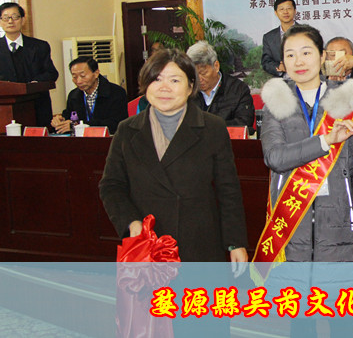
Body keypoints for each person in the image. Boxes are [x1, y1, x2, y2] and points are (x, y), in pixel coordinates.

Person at [256, 25, 353, 337]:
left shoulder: (347, 101)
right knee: (301, 321)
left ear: (321, 57)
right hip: (293, 224)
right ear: (283, 62)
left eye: (306, 52)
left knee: (341, 317)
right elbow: (275, 157)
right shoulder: (276, 103)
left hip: (338, 222)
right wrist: (324, 141)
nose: (299, 61)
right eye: (290, 55)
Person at [99, 49, 249, 265]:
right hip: (147, 245)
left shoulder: (212, 128)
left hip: (198, 244)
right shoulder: (127, 130)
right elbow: (111, 185)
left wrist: (235, 242)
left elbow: (228, 190)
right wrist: (131, 222)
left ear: (190, 86)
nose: (164, 87)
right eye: (157, 79)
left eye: (175, 80)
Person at [0, 2, 59, 127]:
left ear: (22, 20)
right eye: (5, 18)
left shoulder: (39, 46)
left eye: (15, 17)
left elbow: (51, 73)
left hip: (37, 106)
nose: (10, 21)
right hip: (5, 109)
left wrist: (35, 83)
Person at [187, 40, 255, 134]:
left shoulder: (238, 90)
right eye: (194, 74)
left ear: (216, 66)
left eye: (203, 73)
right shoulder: (187, 91)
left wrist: (210, 127)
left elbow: (244, 123)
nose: (199, 79)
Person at [51, 56, 128, 134]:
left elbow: (116, 124)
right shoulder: (73, 95)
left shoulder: (116, 92)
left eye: (83, 76)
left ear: (96, 73)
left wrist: (79, 125)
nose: (78, 81)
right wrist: (61, 121)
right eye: (74, 77)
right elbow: (69, 117)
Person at [261, 0, 297, 77]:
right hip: (280, 81)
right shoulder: (268, 37)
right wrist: (279, 66)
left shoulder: (307, 33)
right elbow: (266, 62)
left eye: (289, 8)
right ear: (276, 13)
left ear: (295, 11)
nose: (285, 12)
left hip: (305, 79)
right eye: (281, 9)